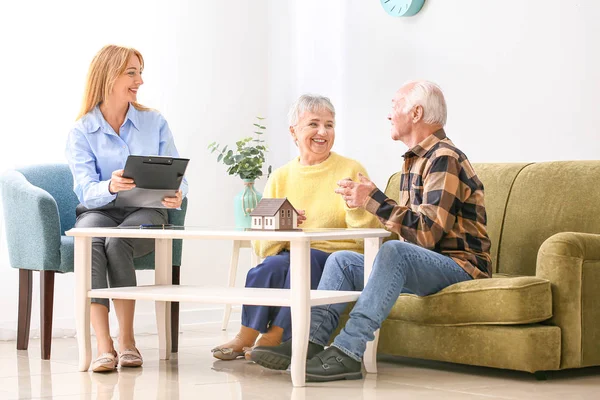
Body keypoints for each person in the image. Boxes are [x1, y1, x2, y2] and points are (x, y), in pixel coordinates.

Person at [251, 80, 492, 382]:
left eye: (395, 106)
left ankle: (348, 352)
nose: (389, 115)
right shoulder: (415, 159)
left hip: (460, 266)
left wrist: (372, 200)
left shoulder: (444, 157)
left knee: (393, 251)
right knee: (342, 260)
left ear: (416, 113)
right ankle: (310, 342)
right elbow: (414, 234)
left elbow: (427, 234)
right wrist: (372, 201)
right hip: (426, 263)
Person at [211, 94, 382, 360]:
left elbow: (366, 234)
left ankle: (278, 335)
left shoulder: (350, 168)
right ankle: (245, 334)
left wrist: (353, 206)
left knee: (304, 263)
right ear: (294, 131)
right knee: (267, 268)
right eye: (313, 124)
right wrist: (283, 225)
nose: (323, 132)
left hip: (333, 257)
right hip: (292, 252)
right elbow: (261, 243)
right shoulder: (281, 176)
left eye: (329, 124)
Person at [66, 45, 188, 373]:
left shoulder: (154, 122)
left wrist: (177, 194)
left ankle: (127, 340)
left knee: (119, 240)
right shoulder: (82, 130)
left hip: (146, 212)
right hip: (100, 209)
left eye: (140, 72)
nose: (140, 80)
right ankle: (103, 345)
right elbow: (84, 188)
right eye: (132, 73)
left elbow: (178, 174)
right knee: (91, 238)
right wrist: (110, 185)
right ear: (109, 76)